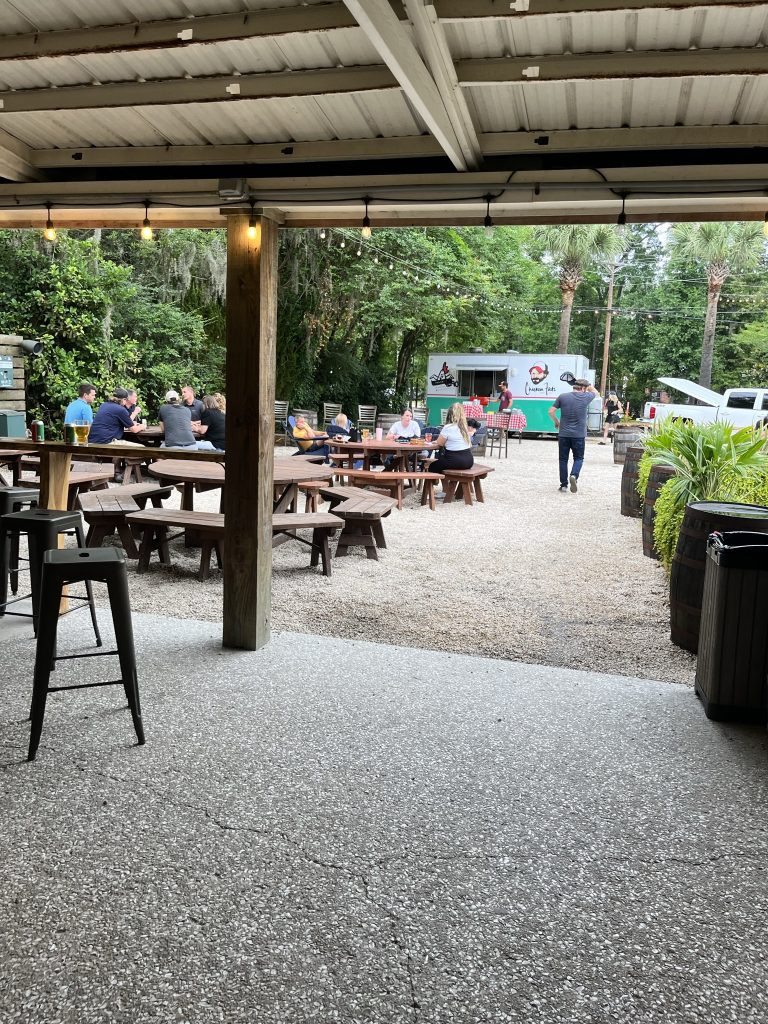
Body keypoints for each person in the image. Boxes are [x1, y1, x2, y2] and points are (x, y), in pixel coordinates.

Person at [548, 378, 599, 493]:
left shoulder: (563, 396)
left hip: (563, 434)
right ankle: (574, 475)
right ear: (583, 388)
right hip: (578, 435)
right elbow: (596, 392)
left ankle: (564, 485)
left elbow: (550, 411)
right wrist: (588, 386)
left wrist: (556, 422)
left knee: (563, 459)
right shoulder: (586, 397)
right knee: (579, 458)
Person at [431, 402, 474, 474]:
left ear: (449, 414)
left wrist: (437, 441)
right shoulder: (465, 427)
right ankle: (448, 481)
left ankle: (439, 480)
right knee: (440, 464)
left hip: (454, 460)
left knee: (432, 466)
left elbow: (440, 443)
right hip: (469, 461)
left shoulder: (448, 427)